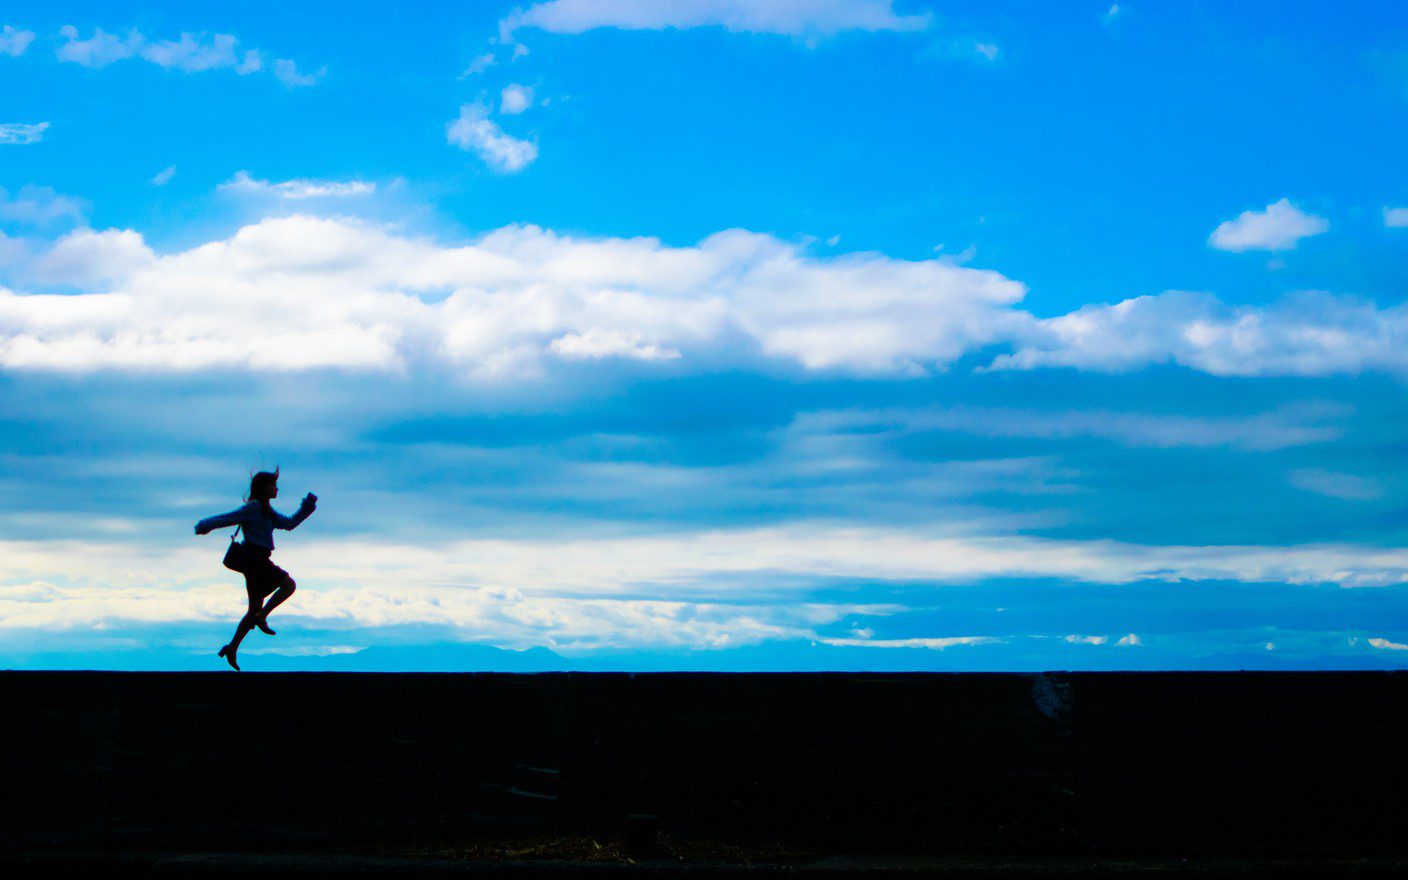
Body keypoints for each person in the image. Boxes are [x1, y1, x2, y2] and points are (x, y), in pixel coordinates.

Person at [195, 469, 317, 671]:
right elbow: (229, 518)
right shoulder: (253, 508)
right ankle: (262, 616)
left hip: (257, 562)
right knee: (288, 585)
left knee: (254, 608)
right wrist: (204, 525)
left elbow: (289, 523)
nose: (276, 488)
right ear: (263, 487)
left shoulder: (266, 511)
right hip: (255, 560)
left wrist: (308, 505)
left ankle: (232, 648)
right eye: (273, 484)